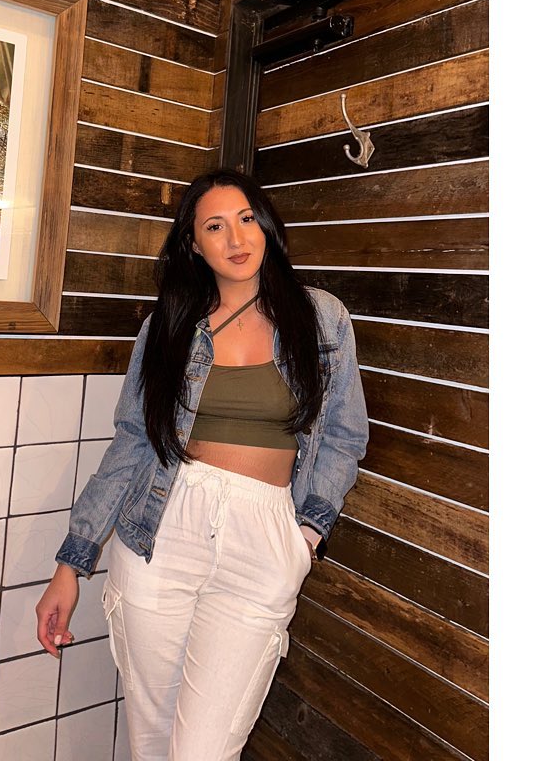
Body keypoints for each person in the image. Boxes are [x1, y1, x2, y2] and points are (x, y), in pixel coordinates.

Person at [35, 168, 368, 760]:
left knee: (203, 751)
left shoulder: (322, 318)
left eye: (246, 219)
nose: (236, 238)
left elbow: (345, 436)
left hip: (264, 537)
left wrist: (307, 534)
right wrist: (71, 562)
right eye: (215, 227)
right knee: (153, 742)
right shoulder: (168, 325)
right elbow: (132, 442)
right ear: (193, 244)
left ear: (266, 227)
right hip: (161, 532)